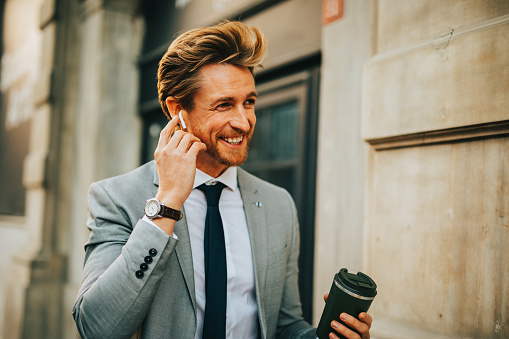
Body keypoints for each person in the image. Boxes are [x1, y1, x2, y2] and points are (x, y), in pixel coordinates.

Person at [72, 20, 372, 339]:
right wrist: (167, 202)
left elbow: (284, 324)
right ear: (178, 111)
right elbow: (96, 328)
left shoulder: (277, 204)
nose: (244, 122)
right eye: (224, 105)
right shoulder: (116, 197)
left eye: (249, 102)